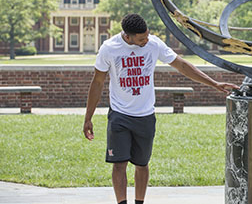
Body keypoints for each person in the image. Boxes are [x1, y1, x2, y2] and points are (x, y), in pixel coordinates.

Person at [83, 13, 239, 204]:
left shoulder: (154, 44)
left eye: (147, 36)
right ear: (127, 36)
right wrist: (88, 117)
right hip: (120, 115)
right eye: (141, 39)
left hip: (145, 116)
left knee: (142, 164)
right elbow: (97, 82)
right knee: (119, 164)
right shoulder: (109, 48)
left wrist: (214, 83)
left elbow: (182, 65)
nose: (146, 40)